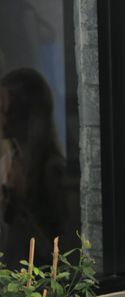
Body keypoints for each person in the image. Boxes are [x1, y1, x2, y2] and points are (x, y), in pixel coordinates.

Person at [0, 68, 68, 269]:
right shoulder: (10, 161)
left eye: (3, 108)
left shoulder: (51, 171)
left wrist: (19, 204)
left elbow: (59, 252)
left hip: (39, 284)